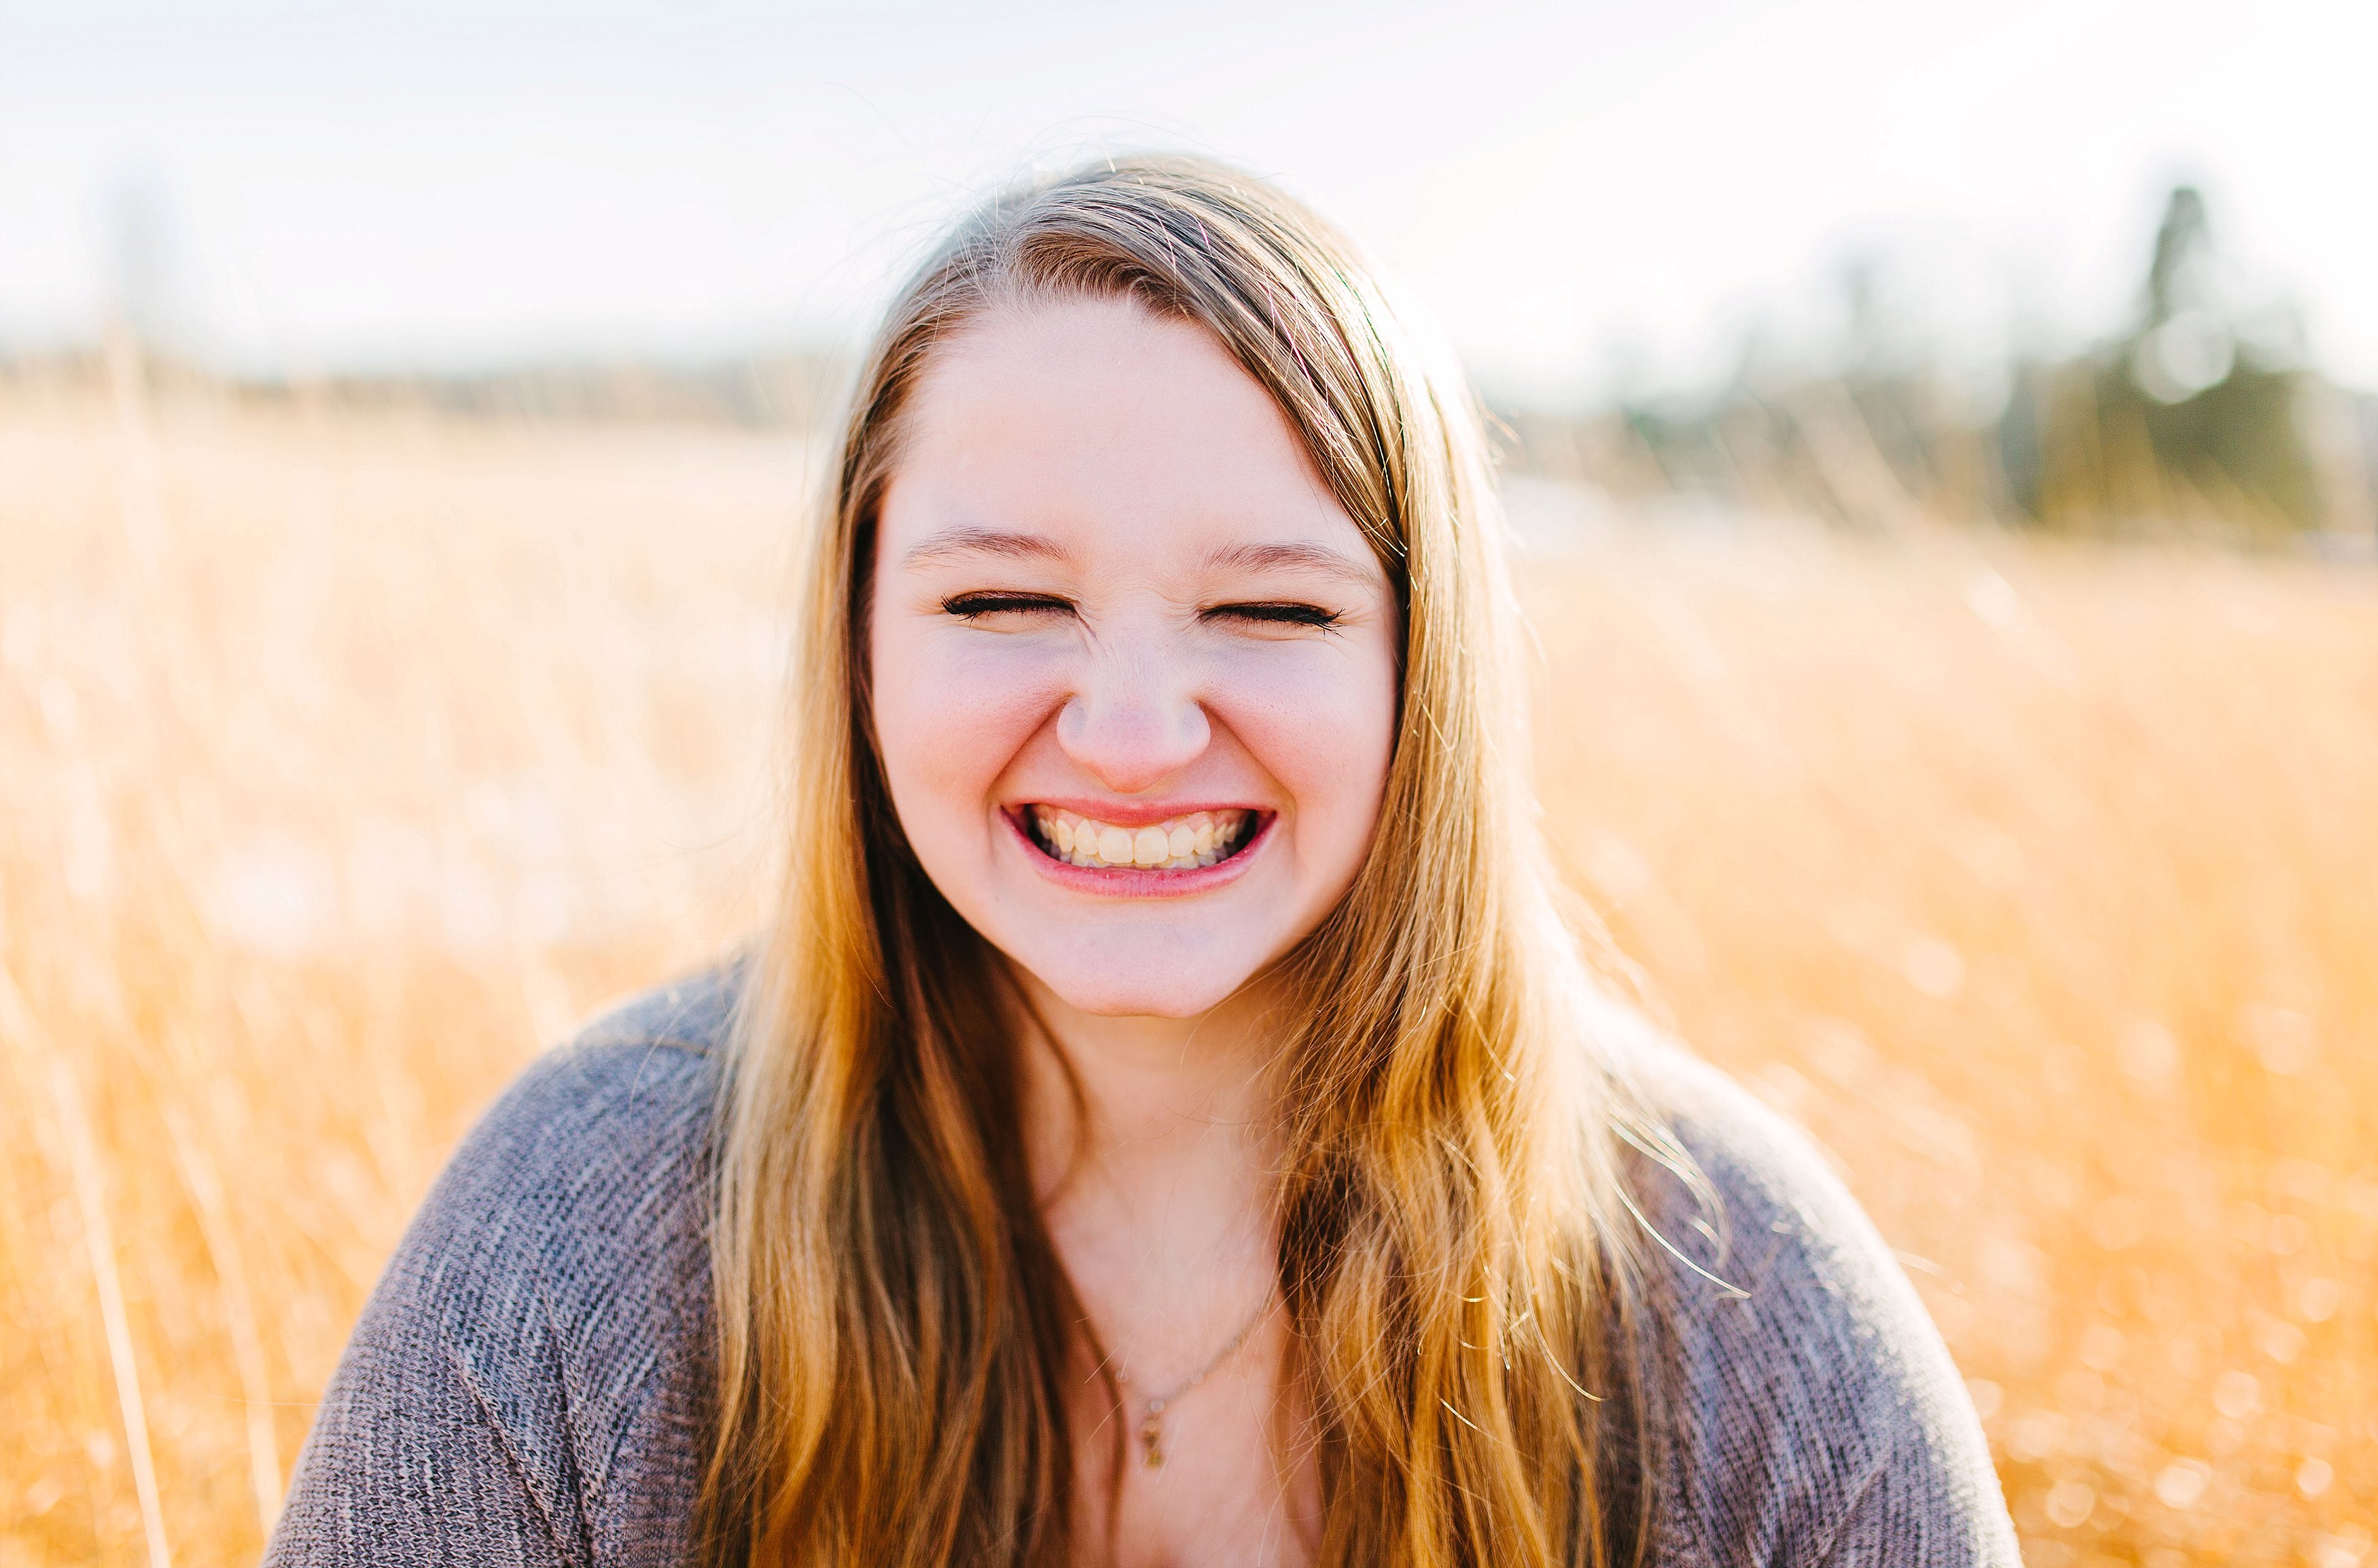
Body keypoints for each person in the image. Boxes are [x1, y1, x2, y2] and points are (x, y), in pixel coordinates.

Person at [266, 156, 2019, 1567]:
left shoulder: (1732, 1303)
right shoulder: (584, 1239)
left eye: (1269, 608)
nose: (1129, 732)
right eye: (1003, 601)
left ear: (1425, 669)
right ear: (859, 639)